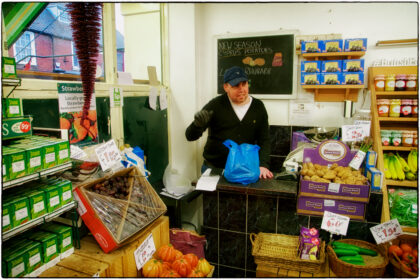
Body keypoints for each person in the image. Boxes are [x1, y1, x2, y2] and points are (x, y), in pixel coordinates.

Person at [185, 66, 273, 179]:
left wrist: (263, 165)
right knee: (212, 197)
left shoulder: (258, 107)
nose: (242, 89)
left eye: (244, 84)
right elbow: (189, 136)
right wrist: (197, 125)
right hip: (214, 169)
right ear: (226, 87)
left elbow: (264, 139)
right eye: (236, 86)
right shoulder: (215, 105)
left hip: (245, 169)